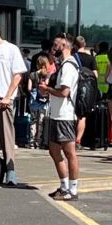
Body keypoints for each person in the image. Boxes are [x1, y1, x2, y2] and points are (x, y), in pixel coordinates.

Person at [0, 22, 27, 187]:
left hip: (4, 97)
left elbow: (17, 75)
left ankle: (11, 171)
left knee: (7, 136)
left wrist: (8, 96)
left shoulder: (11, 49)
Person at [41, 35, 82, 200]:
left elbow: (65, 92)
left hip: (64, 115)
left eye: (56, 44)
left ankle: (72, 189)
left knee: (69, 152)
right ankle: (64, 186)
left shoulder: (69, 66)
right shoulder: (63, 65)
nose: (53, 47)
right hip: (56, 114)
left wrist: (48, 89)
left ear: (65, 45)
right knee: (54, 150)